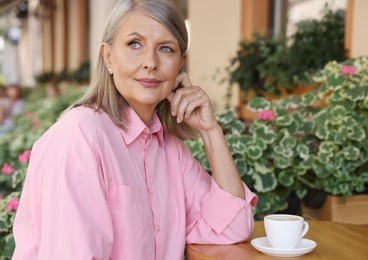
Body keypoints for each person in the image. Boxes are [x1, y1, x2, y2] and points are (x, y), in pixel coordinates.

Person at [12, 0, 257, 259]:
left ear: (180, 64)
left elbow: (232, 228)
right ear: (108, 57)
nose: (150, 62)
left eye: (165, 48)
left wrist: (211, 132)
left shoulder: (169, 149)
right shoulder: (80, 138)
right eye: (135, 44)